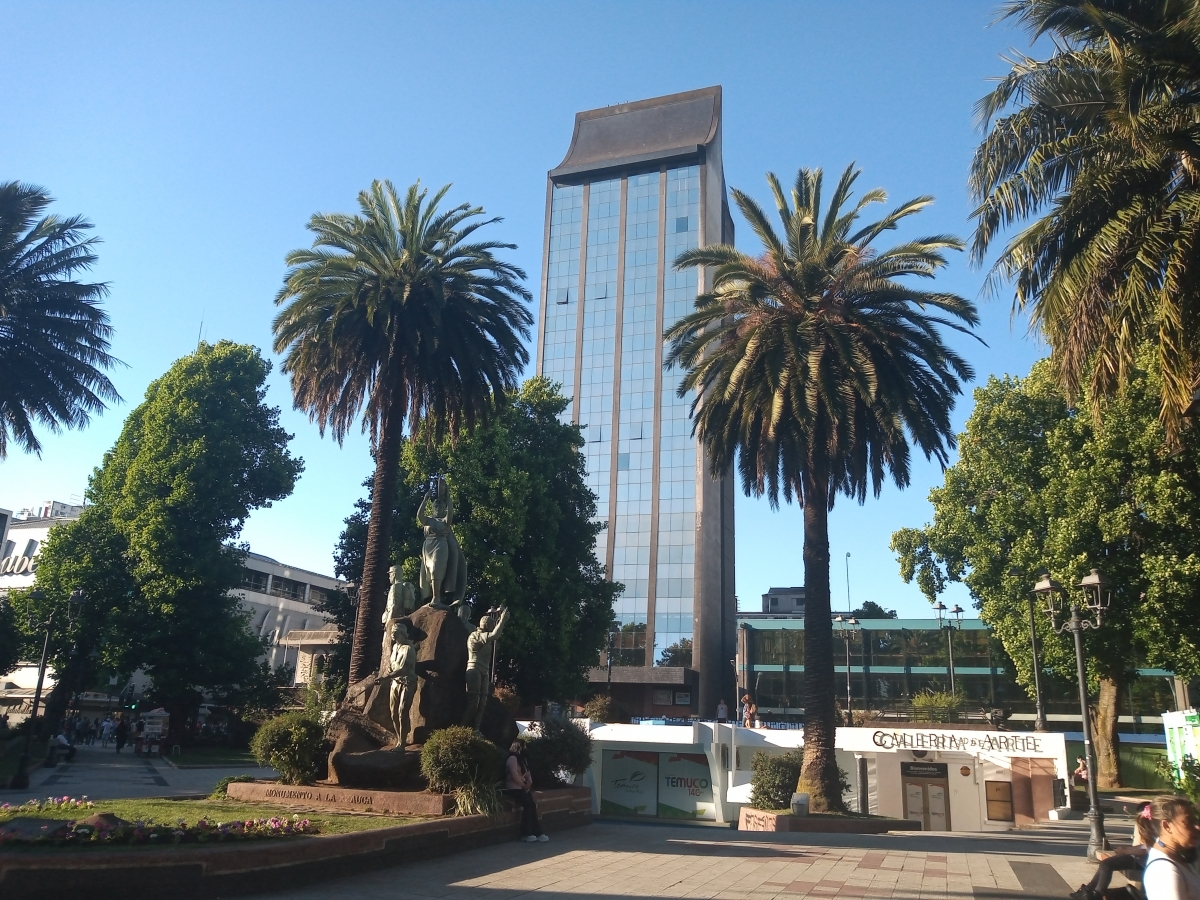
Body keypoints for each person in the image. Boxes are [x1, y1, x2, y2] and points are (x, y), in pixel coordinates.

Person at [1070, 802, 1157, 900]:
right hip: (1137, 858)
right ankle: (1089, 891)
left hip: (1142, 861)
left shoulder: (1155, 829)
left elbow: (1148, 850)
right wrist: (1127, 849)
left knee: (1107, 864)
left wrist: (1127, 851)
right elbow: (1145, 846)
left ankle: (1096, 894)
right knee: (1105, 863)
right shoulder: (1151, 827)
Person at [1143, 795, 1200, 900]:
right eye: (1188, 822)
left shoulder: (1178, 856)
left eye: (1195, 821)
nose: (1197, 827)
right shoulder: (1164, 871)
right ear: (1167, 826)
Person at [505, 739, 547, 843]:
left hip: (523, 788)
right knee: (529, 805)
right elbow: (514, 775)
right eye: (524, 746)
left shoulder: (523, 760)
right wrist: (523, 785)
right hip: (513, 788)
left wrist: (529, 783)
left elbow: (528, 773)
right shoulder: (512, 759)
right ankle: (526, 833)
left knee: (532, 805)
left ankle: (537, 832)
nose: (526, 748)